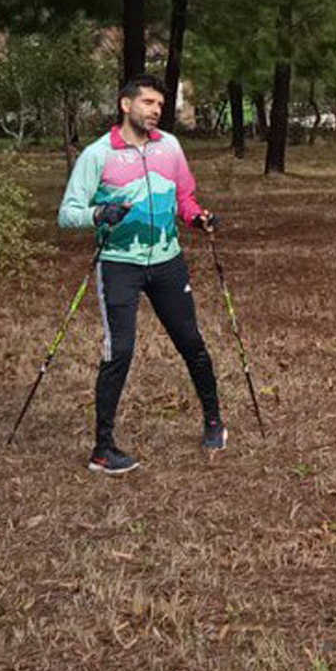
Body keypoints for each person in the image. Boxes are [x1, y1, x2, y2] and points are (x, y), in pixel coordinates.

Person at [58, 74, 225, 475]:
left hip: (168, 262)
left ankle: (214, 421)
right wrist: (98, 213)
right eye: (148, 103)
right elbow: (67, 213)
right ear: (125, 105)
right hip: (119, 264)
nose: (155, 111)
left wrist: (196, 216)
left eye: (159, 106)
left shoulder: (170, 147)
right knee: (121, 350)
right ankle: (103, 449)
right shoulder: (99, 155)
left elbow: (183, 196)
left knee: (191, 341)